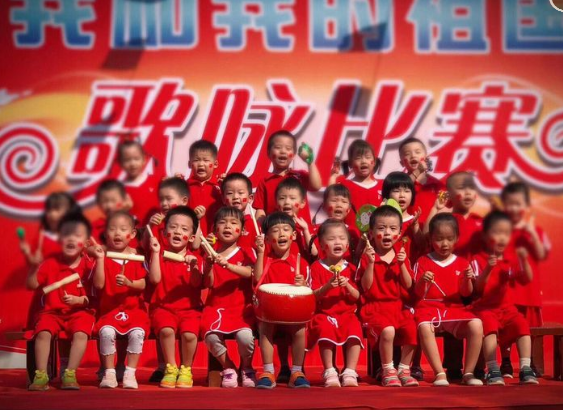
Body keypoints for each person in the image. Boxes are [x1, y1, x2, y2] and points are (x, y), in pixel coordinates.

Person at [26, 213, 96, 391]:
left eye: (77, 235)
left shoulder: (89, 265)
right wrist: (34, 266)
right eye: (66, 235)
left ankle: (70, 373)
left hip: (79, 312)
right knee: (43, 332)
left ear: (86, 242)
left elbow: (93, 297)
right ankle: (41, 375)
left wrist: (79, 300)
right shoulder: (50, 263)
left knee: (81, 333)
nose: (71, 239)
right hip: (52, 312)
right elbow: (31, 285)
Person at [414, 214, 483, 386]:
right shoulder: (423, 261)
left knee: (476, 324)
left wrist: (467, 280)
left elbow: (466, 293)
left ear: (457, 239)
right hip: (428, 309)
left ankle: (468, 373)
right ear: (430, 239)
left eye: (449, 239)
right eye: (439, 239)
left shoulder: (462, 262)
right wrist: (422, 281)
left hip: (454, 310)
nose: (444, 244)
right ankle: (439, 373)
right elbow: (418, 293)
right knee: (424, 326)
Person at [470, 211, 538, 385]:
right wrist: (488, 268)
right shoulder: (477, 259)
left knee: (522, 325)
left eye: (506, 233)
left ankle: (525, 368)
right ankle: (493, 369)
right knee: (489, 326)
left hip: (507, 309)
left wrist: (524, 260)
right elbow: (477, 288)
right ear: (485, 236)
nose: (501, 238)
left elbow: (526, 279)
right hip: (484, 308)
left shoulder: (510, 259)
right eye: (496, 232)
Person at [357, 206, 419, 387]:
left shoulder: (401, 255)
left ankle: (404, 369)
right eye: (381, 228)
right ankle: (387, 370)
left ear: (399, 234)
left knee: (412, 328)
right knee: (388, 330)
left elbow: (409, 285)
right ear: (371, 233)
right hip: (375, 308)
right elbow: (366, 288)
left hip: (398, 307)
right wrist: (370, 264)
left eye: (392, 229)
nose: (387, 233)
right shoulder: (367, 256)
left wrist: (402, 264)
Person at [92, 211, 150, 389]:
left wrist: (128, 282)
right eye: (112, 229)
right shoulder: (103, 255)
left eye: (123, 229)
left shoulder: (137, 255)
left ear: (132, 234)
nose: (117, 233)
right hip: (110, 310)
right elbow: (99, 285)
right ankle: (109, 372)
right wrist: (100, 259)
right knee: (107, 332)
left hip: (134, 309)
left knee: (137, 333)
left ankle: (130, 373)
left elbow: (143, 283)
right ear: (105, 233)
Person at [147, 206, 203, 388]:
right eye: (173, 227)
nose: (178, 232)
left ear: (192, 237)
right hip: (163, 308)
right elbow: (154, 279)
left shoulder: (195, 258)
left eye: (184, 229)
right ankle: (170, 368)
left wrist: (194, 266)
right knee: (166, 330)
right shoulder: (159, 254)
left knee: (189, 335)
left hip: (190, 310)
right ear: (164, 233)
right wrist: (155, 252)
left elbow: (196, 284)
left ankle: (186, 369)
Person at [253, 212, 311, 389]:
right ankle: (268, 371)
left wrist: (302, 284)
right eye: (275, 230)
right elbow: (257, 279)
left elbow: (308, 291)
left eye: (286, 229)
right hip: (270, 312)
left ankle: (297, 372)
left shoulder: (300, 262)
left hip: (293, 313)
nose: (281, 234)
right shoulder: (266, 260)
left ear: (293, 235)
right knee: (265, 327)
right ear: (267, 238)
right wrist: (260, 253)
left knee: (300, 328)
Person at [201, 207, 256, 388]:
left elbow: (250, 273)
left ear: (242, 230)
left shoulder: (247, 251)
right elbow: (208, 283)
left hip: (241, 308)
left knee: (245, 338)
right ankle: (229, 366)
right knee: (210, 336)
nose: (227, 226)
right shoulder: (210, 252)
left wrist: (228, 265)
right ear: (215, 229)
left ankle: (246, 367)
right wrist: (209, 265)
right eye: (222, 223)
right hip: (216, 307)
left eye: (233, 223)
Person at [501, 182, 550, 377]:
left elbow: (541, 254)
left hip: (529, 289)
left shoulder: (535, 231)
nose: (514, 208)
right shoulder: (500, 231)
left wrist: (531, 233)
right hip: (508, 289)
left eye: (518, 203)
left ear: (526, 205)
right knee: (505, 327)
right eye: (510, 203)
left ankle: (528, 363)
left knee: (529, 327)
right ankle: (505, 361)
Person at [308, 220, 362, 388]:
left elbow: (357, 296)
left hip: (347, 313)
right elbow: (313, 295)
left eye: (341, 238)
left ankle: (350, 371)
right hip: (325, 314)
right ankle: (329, 370)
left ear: (347, 245)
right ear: (322, 245)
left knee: (354, 328)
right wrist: (328, 287)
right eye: (331, 239)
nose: (337, 242)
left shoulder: (351, 268)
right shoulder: (316, 267)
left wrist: (347, 286)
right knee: (325, 328)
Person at [253, 130, 322, 224]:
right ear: (269, 153)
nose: (283, 151)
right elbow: (260, 210)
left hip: (301, 229)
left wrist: (310, 162)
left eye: (288, 148)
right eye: (278, 147)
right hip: (276, 229)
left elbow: (316, 186)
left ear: (294, 154)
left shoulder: (299, 176)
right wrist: (262, 228)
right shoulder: (265, 181)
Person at [329, 139, 381, 228]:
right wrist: (333, 177)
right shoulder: (344, 185)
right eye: (358, 158)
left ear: (374, 161)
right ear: (350, 163)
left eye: (368, 157)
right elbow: (330, 201)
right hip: (351, 234)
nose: (363, 161)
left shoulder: (383, 186)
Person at [398, 137, 444, 225]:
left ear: (426, 157)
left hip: (432, 229)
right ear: (402, 163)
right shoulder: (399, 182)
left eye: (417, 152)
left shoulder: (437, 184)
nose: (413, 156)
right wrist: (418, 171)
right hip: (408, 228)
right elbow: (402, 189)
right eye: (407, 154)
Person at [117, 139, 161, 226]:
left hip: (157, 231)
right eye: (127, 160)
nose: (132, 164)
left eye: (136, 158)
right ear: (121, 163)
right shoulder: (120, 190)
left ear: (144, 159)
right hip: (134, 232)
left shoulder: (156, 181)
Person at [275, 178, 317, 261]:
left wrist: (305, 231)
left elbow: (314, 254)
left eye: (292, 198)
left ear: (302, 203)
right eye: (282, 198)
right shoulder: (272, 227)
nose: (287, 202)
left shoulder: (306, 228)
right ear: (276, 202)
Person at [186, 140, 223, 236]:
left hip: (214, 239)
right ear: (189, 164)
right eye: (196, 160)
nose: (201, 164)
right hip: (190, 238)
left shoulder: (221, 188)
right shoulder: (183, 187)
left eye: (206, 160)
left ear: (215, 164)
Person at [220, 173, 259, 253]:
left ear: (250, 198)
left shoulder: (253, 225)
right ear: (223, 198)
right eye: (230, 193)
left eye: (240, 193)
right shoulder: (220, 223)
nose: (235, 197)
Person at [91, 180, 132, 244]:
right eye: (105, 201)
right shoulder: (94, 227)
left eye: (113, 200)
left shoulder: (132, 223)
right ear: (99, 202)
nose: (109, 205)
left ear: (124, 199)